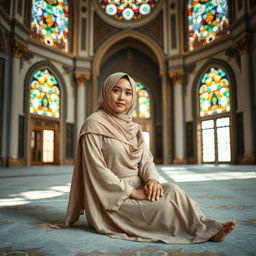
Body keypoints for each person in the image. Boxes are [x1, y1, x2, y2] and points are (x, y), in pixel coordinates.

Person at [65, 72, 236, 243]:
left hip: (138, 186)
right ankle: (204, 231)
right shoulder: (93, 124)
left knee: (174, 191)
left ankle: (205, 226)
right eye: (116, 90)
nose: (122, 97)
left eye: (128, 92)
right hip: (110, 198)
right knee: (164, 208)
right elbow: (96, 170)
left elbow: (146, 160)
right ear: (106, 91)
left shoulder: (134, 128)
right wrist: (133, 193)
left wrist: (152, 180)